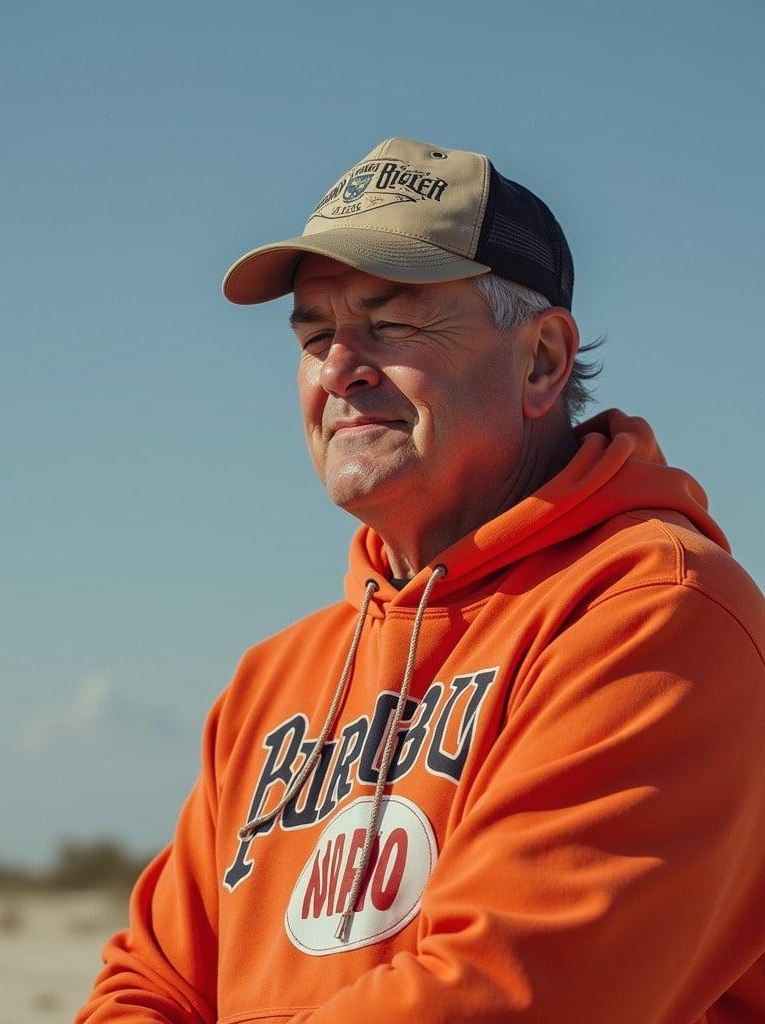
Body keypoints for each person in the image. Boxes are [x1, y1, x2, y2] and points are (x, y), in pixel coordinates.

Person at [76, 138, 765, 1023]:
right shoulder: (271, 683)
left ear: (543, 361)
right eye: (315, 334)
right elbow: (146, 987)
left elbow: (506, 995)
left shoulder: (658, 617)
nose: (338, 369)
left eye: (391, 325)